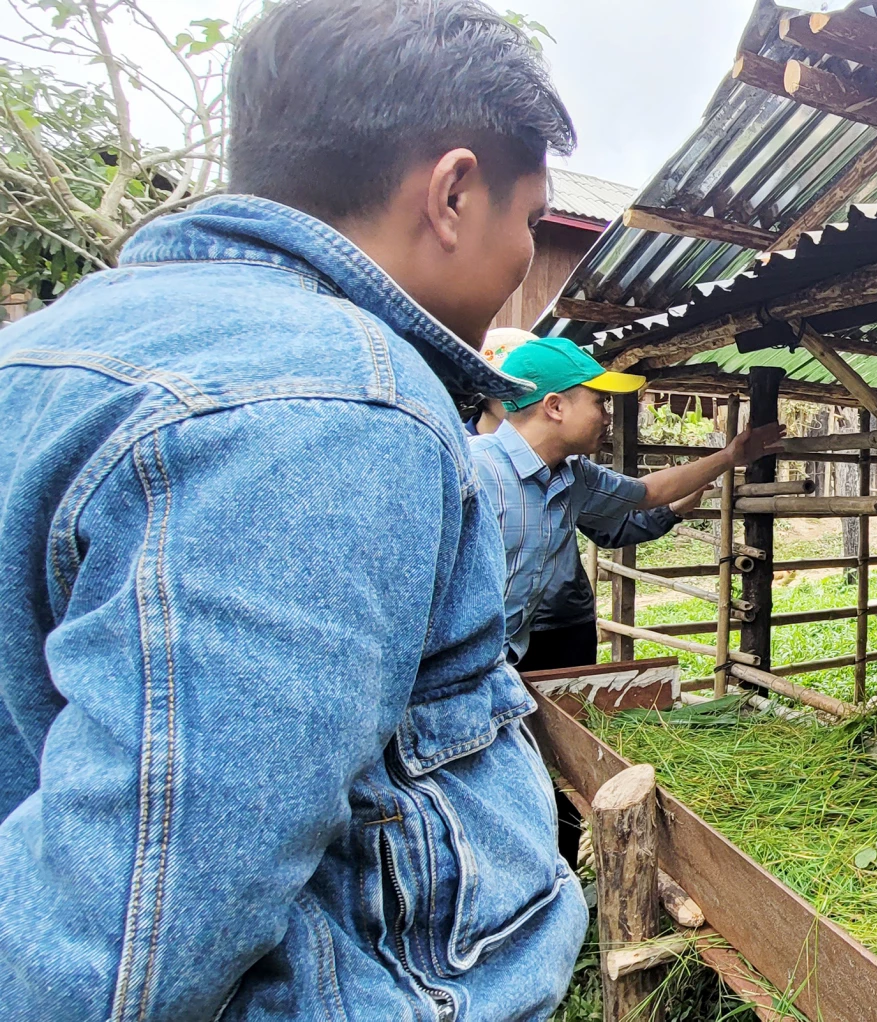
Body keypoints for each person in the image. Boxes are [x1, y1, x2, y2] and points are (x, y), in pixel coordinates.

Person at [0, 2, 593, 1018]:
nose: (519, 271)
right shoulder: (335, 404)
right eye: (530, 223)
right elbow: (132, 937)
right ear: (453, 193)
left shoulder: (53, 348)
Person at [470, 336, 782, 667]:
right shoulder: (471, 469)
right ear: (555, 406)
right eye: (599, 403)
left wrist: (730, 456)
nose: (607, 417)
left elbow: (647, 492)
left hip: (505, 660)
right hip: (454, 670)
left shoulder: (575, 475)